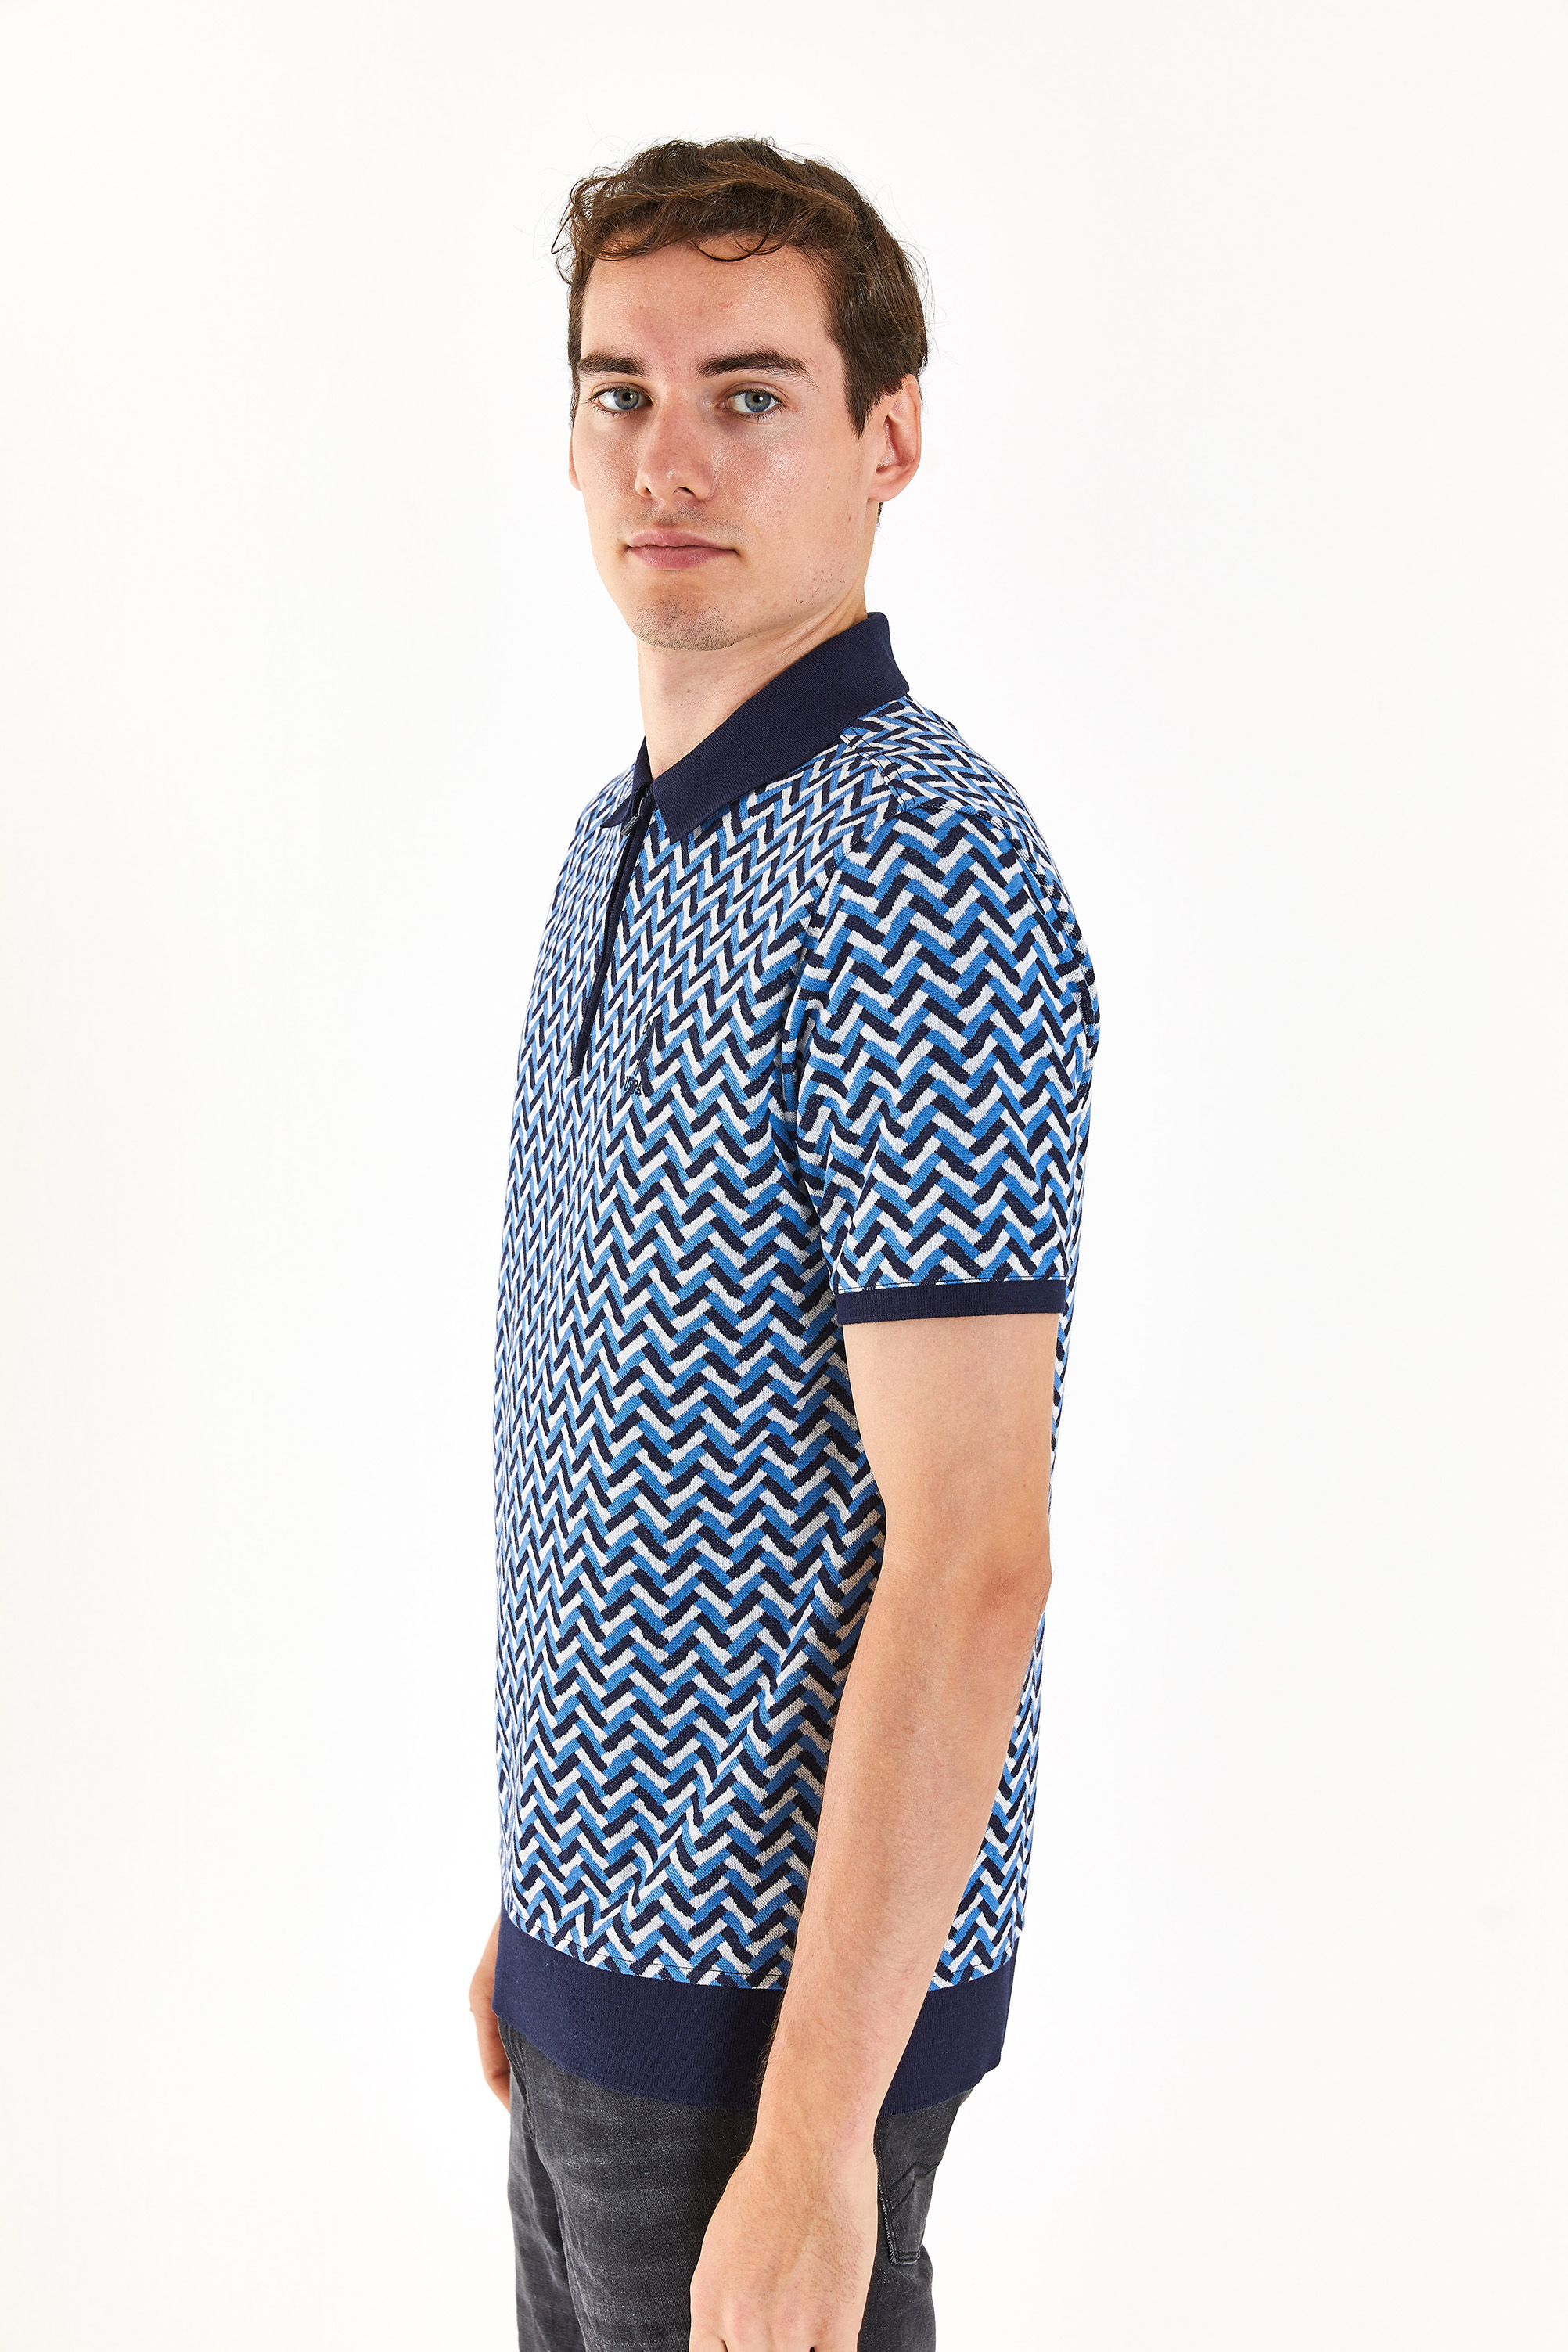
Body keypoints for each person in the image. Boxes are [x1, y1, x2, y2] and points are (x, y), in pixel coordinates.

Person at [468, 136, 1099, 2352]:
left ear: (886, 436)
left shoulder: (921, 870)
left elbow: (975, 1549)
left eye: (750, 394)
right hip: (598, 1976)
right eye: (619, 392)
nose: (670, 457)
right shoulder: (614, 843)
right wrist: (551, 1899)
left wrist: (818, 2126)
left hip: (768, 2022)